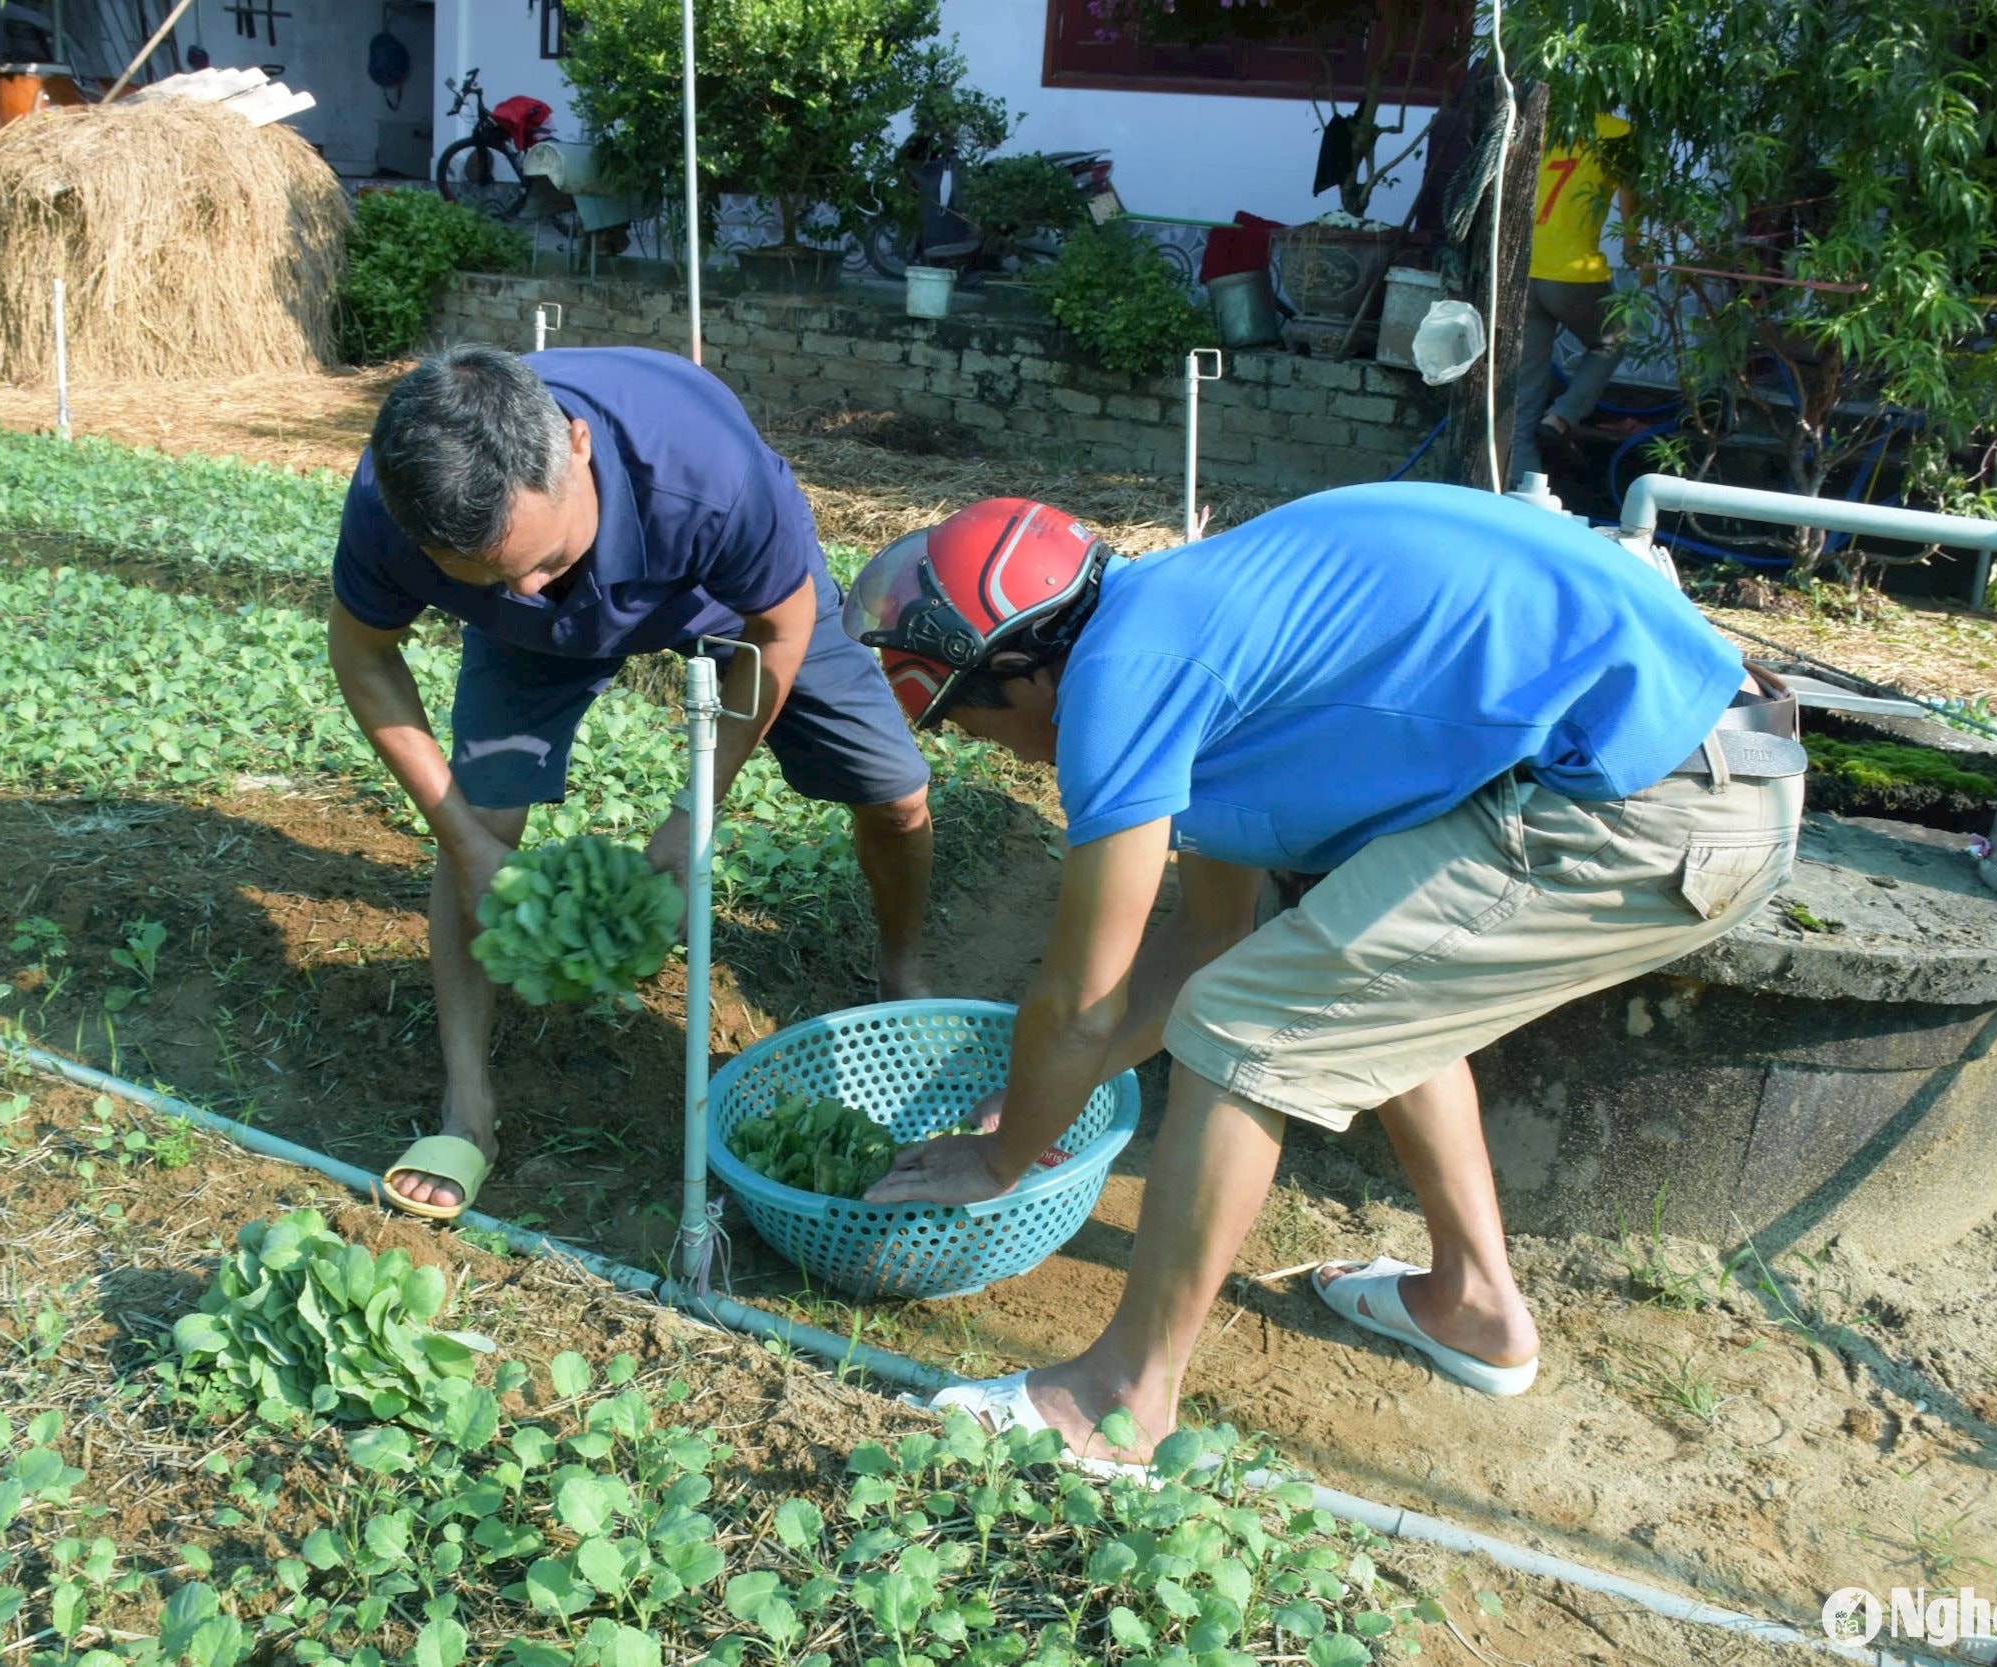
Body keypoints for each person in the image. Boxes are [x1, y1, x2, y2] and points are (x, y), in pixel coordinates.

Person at [844, 487, 1803, 1462]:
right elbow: (1205, 934)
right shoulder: (1176, 617)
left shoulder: (1121, 677)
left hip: (1658, 803)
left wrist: (1001, 1158)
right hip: (1704, 758)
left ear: (1018, 675)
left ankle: (1114, 1404)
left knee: (1240, 1030)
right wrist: (1036, 1100)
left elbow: (1081, 999)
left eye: (969, 724)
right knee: (1350, 971)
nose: (988, 746)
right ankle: (1471, 1304)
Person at [329, 343, 936, 1221]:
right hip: (517, 644)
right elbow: (363, 653)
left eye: (545, 558)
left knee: (895, 788)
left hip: (727, 602)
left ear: (576, 444)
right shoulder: (399, 504)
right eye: (501, 574)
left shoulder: (705, 471)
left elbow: (781, 623)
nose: (536, 588)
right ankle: (469, 1107)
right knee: (481, 829)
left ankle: (902, 971)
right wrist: (461, 838)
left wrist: (699, 808)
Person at [1513, 111, 1638, 487]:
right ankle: (1563, 416)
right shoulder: (1619, 132)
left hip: (1523, 271)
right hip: (1572, 273)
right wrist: (1635, 249)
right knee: (1613, 340)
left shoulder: (1544, 124)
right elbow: (1631, 196)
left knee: (1522, 407)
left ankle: (1522, 496)